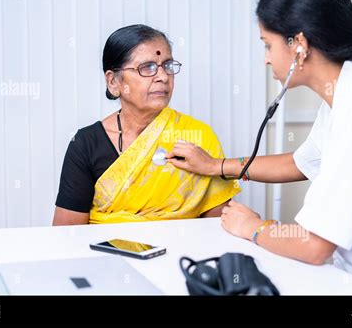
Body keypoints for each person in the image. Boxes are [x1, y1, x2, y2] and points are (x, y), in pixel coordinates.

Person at [166, 0, 352, 284]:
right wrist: (215, 166)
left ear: (299, 45)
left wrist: (254, 228)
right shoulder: (348, 94)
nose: (266, 58)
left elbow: (314, 246)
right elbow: (300, 163)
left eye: (267, 44)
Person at [53, 24, 240, 225]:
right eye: (147, 67)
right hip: (108, 254)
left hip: (181, 254)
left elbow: (217, 229)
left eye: (168, 66)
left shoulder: (198, 136)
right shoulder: (85, 143)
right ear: (114, 82)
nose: (163, 77)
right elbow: (68, 234)